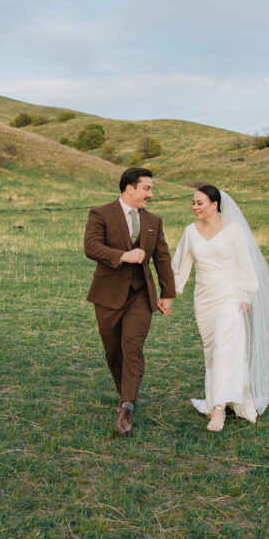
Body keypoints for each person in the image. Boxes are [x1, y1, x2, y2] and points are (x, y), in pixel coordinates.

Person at [172, 185, 269, 431]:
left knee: (227, 347)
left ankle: (218, 409)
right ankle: (221, 397)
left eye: (199, 203)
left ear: (214, 204)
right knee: (213, 350)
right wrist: (169, 294)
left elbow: (245, 263)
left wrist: (246, 293)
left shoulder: (233, 230)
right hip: (203, 298)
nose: (195, 207)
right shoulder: (190, 232)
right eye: (193, 203)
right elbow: (179, 266)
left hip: (229, 296)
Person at [84, 167, 176, 435]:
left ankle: (126, 408)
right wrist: (123, 256)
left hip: (140, 295)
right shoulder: (101, 213)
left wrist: (167, 293)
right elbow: (91, 247)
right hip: (108, 295)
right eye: (147, 188)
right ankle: (124, 393)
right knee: (114, 352)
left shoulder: (154, 220)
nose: (151, 194)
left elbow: (162, 257)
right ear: (129, 188)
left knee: (132, 347)